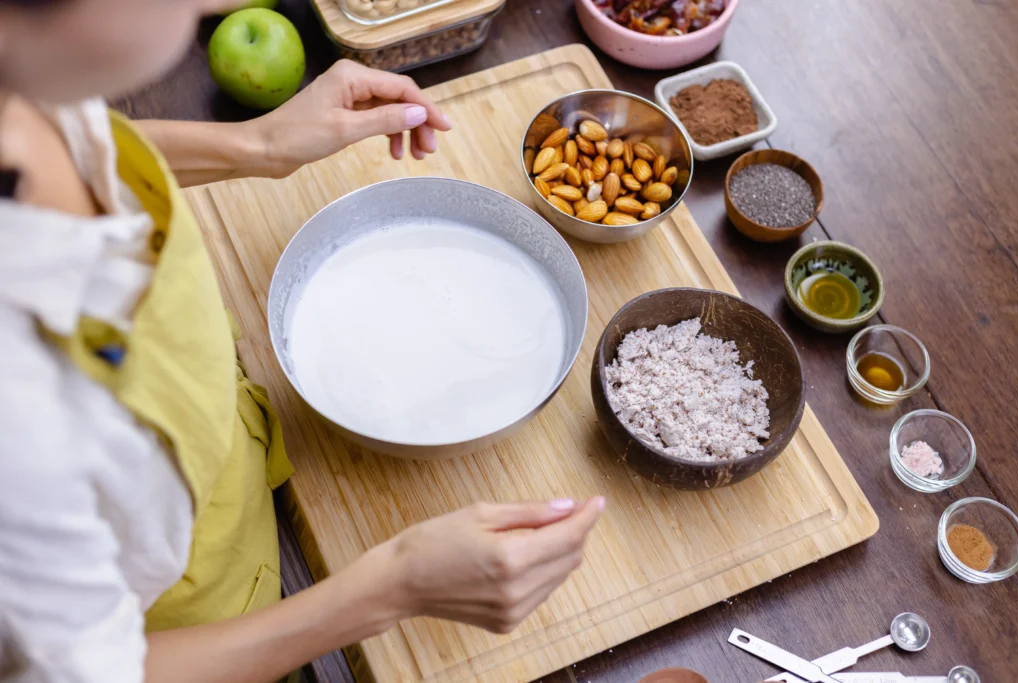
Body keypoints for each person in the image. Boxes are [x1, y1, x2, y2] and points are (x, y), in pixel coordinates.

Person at [0, 1, 605, 681]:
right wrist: (392, 587)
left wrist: (256, 145)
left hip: (233, 472)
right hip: (210, 630)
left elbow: (81, 138)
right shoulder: (19, 419)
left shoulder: (25, 95)